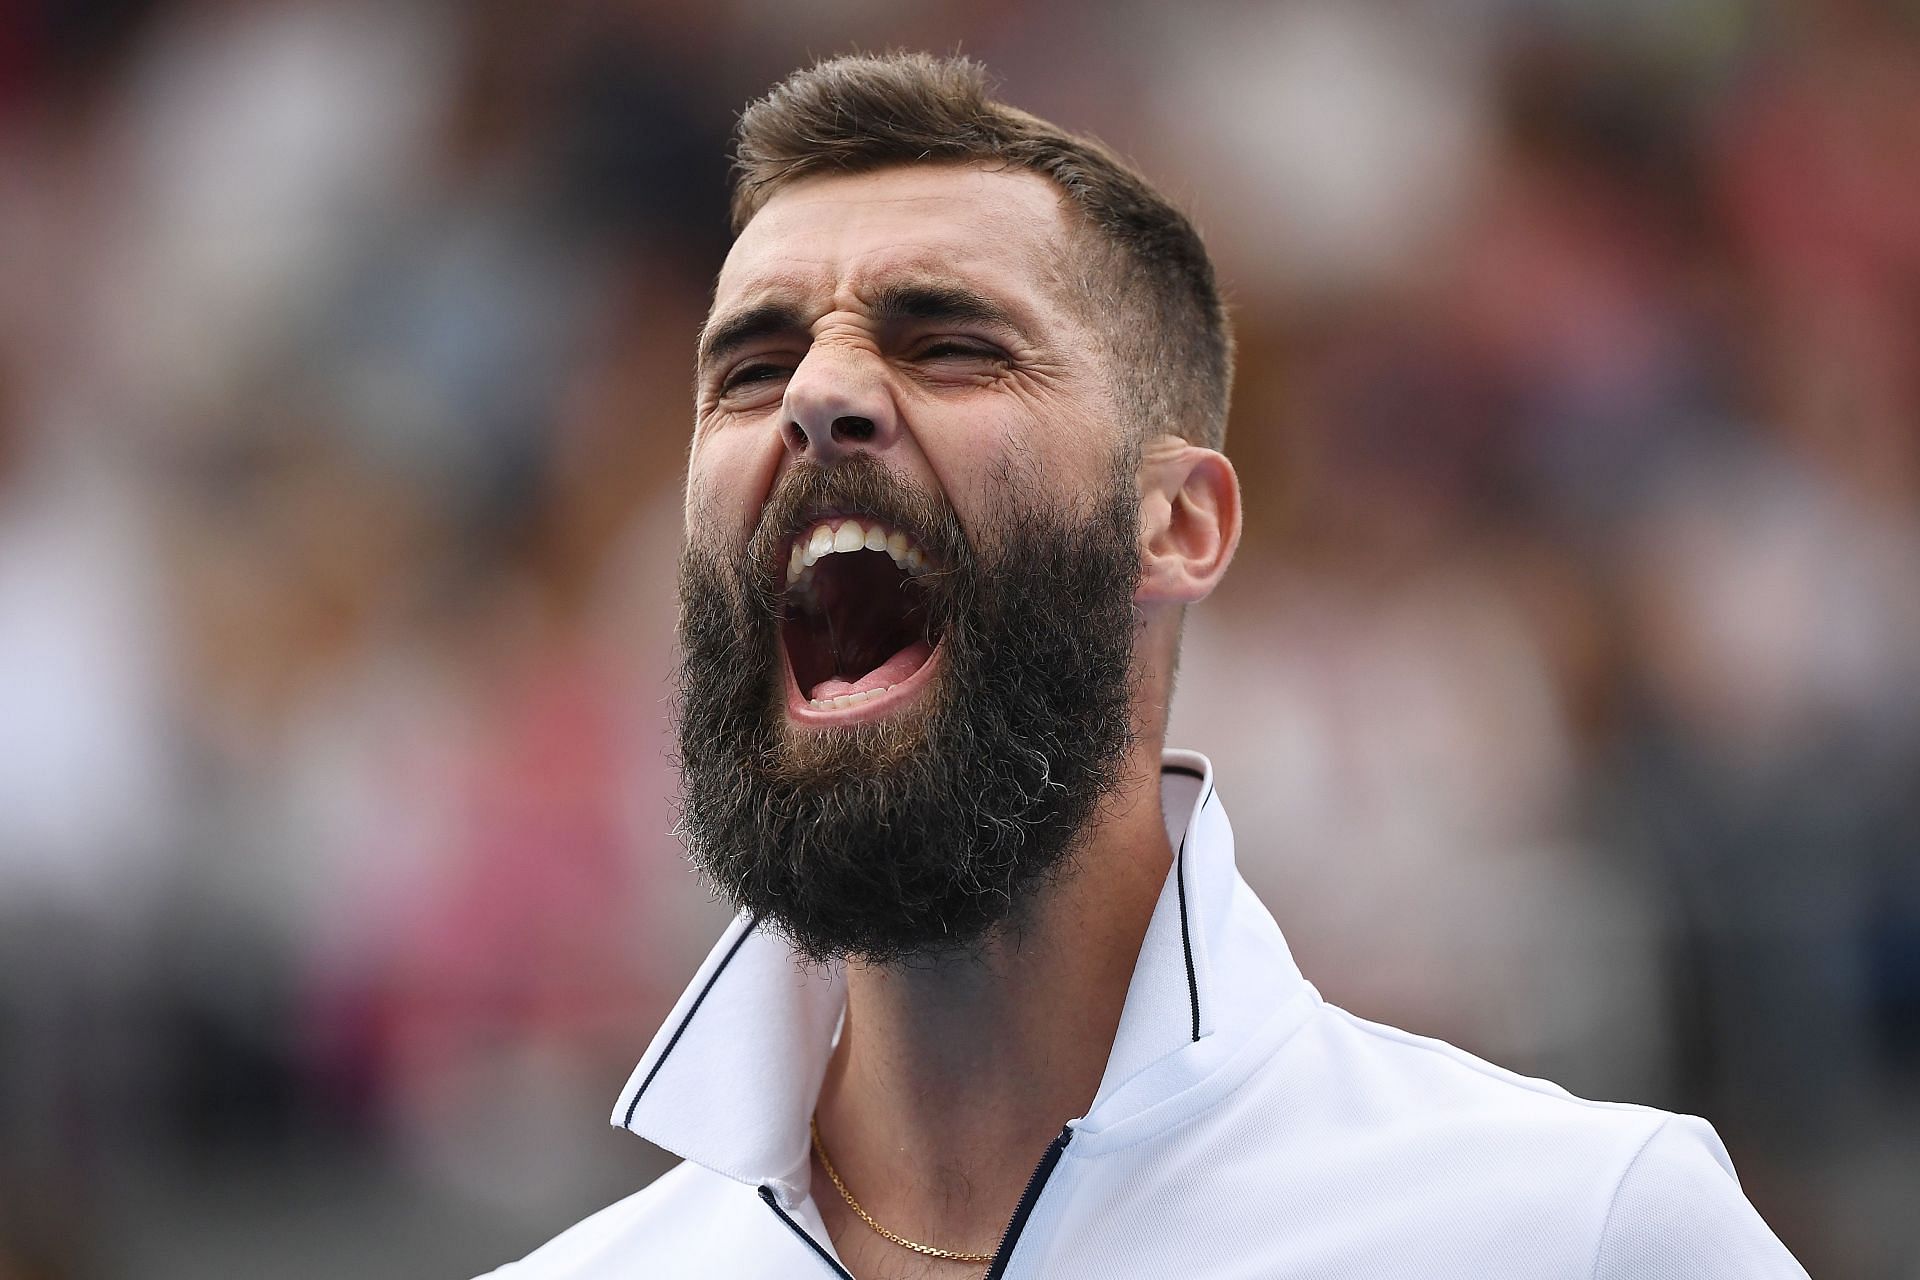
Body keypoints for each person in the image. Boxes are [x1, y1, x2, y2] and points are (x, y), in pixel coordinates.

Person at [484, 53, 1806, 1279]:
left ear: (1177, 524)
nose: (815, 396)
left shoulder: (1581, 1232)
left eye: (948, 342)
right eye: (753, 365)